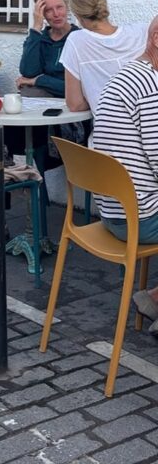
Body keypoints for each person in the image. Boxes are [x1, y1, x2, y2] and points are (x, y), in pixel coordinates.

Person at [90, 18, 158, 331]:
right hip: (138, 217)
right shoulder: (151, 88)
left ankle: (154, 299)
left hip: (114, 209)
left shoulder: (128, 75)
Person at [5, 0, 84, 169]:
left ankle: (34, 174)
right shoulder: (42, 38)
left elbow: (76, 88)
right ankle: (20, 173)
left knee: (33, 130)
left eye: (60, 7)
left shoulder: (79, 38)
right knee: (7, 127)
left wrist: (38, 80)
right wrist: (36, 27)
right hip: (42, 110)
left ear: (67, 7)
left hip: (70, 113)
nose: (56, 14)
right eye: (48, 10)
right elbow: (28, 71)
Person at [61, 0, 148, 118]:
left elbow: (75, 104)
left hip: (111, 127)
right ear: (104, 3)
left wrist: (96, 99)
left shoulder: (76, 41)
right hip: (150, 122)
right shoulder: (141, 31)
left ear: (77, 15)